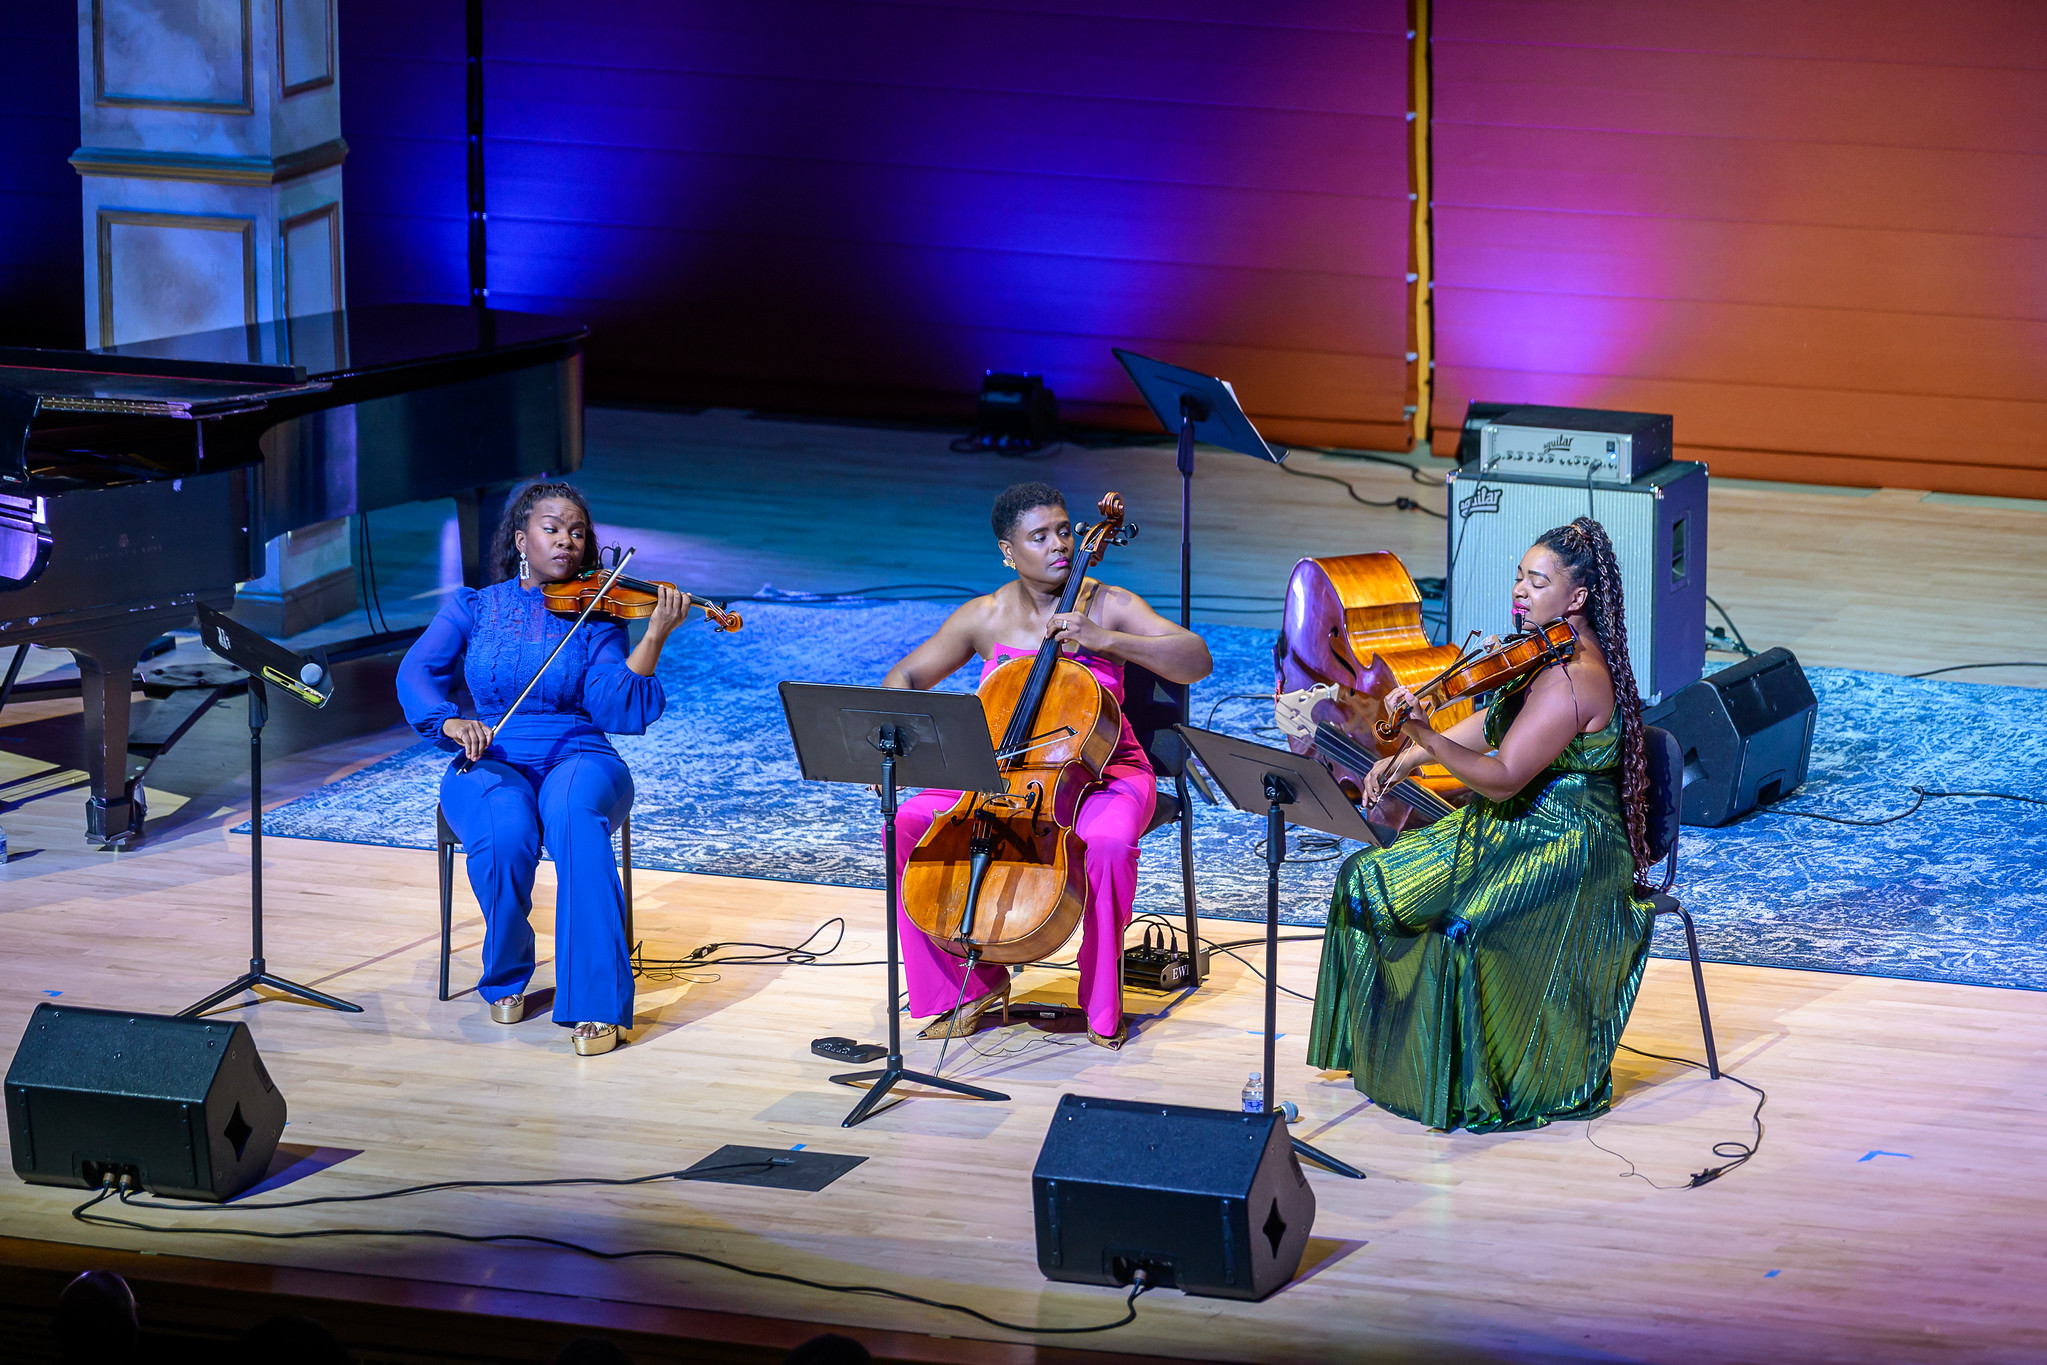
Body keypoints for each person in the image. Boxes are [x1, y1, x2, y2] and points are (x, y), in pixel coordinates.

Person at [1306, 517, 1656, 1131]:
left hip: (1569, 846)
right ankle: (1382, 1061)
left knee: (1458, 929)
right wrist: (1407, 754)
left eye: (1537, 581)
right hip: (1512, 825)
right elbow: (1494, 725)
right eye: (1519, 576)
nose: (1519, 589)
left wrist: (1418, 730)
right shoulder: (1538, 650)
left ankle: (1464, 1087)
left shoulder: (1576, 678)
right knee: (1362, 877)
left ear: (1577, 598)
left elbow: (1501, 774)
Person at [881, 482, 1212, 1047]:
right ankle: (968, 987)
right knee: (908, 821)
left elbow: (1195, 659)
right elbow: (906, 678)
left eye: (1063, 530)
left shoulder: (1108, 603)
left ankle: (1102, 1000)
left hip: (1105, 775)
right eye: (1040, 537)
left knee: (1106, 844)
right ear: (1008, 552)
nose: (1060, 544)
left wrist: (1105, 639)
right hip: (1003, 775)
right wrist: (897, 744)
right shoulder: (985, 616)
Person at [398, 481, 686, 1056]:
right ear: (521, 539)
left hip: (580, 751)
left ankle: (597, 1004)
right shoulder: (474, 607)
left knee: (575, 819)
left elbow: (613, 705)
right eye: (552, 529)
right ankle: (506, 968)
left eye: (578, 533)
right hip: (491, 751)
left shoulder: (599, 614)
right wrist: (450, 723)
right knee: (505, 834)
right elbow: (415, 673)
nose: (567, 542)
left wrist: (653, 635)